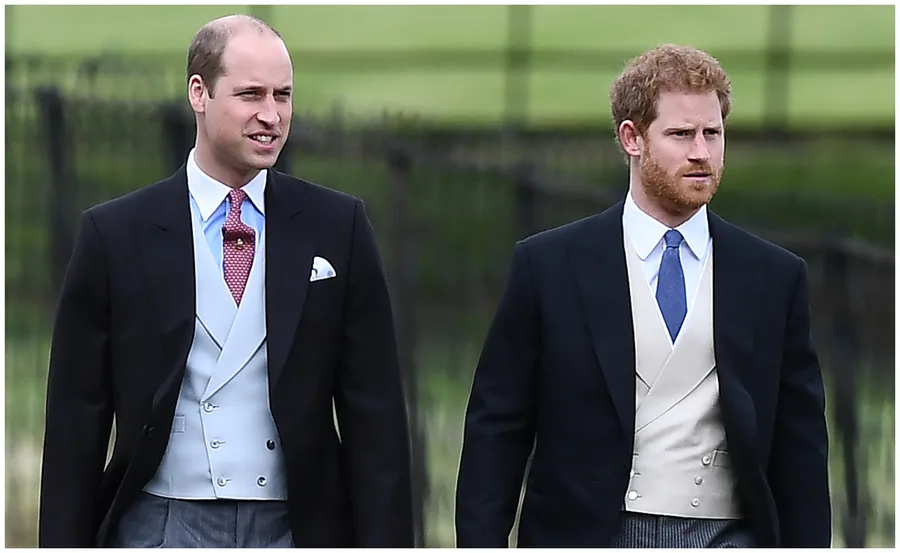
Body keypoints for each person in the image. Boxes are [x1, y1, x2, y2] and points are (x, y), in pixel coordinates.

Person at [38, 14, 414, 548]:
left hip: (297, 527)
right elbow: (76, 421)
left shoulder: (338, 226)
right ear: (200, 93)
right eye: (251, 94)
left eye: (283, 95)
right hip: (159, 526)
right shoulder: (115, 233)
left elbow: (375, 417)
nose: (271, 115)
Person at [455, 44, 830, 548]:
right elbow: (498, 427)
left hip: (728, 536)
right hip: (585, 536)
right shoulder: (550, 266)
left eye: (713, 133)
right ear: (632, 138)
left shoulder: (773, 275)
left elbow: (800, 446)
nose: (701, 153)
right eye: (681, 134)